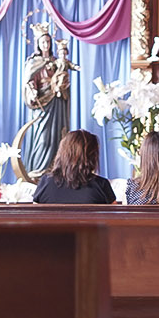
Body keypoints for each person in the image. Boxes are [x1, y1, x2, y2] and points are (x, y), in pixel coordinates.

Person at [20, 21, 74, 177]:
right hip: (41, 104)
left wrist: (62, 84)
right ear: (38, 43)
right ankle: (38, 172)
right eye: (43, 42)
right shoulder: (33, 62)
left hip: (57, 103)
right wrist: (32, 92)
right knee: (42, 138)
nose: (46, 45)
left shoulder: (56, 62)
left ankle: (55, 171)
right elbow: (29, 82)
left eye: (48, 42)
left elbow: (64, 78)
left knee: (57, 137)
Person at [32, 128, 116, 204]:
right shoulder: (101, 185)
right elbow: (115, 214)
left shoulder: (45, 183)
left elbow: (34, 213)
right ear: (92, 156)